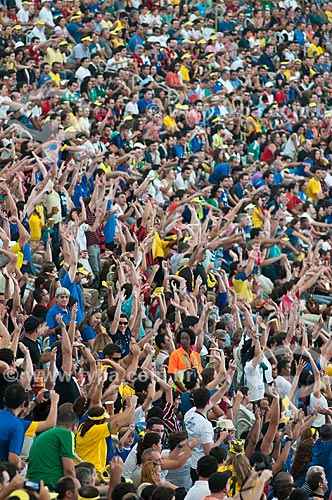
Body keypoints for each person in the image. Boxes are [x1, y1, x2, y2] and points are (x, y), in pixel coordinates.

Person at [27, 409, 79, 490]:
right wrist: (77, 490)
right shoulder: (67, 434)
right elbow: (69, 470)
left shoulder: (45, 434)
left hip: (32, 483)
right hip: (51, 484)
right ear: (74, 426)